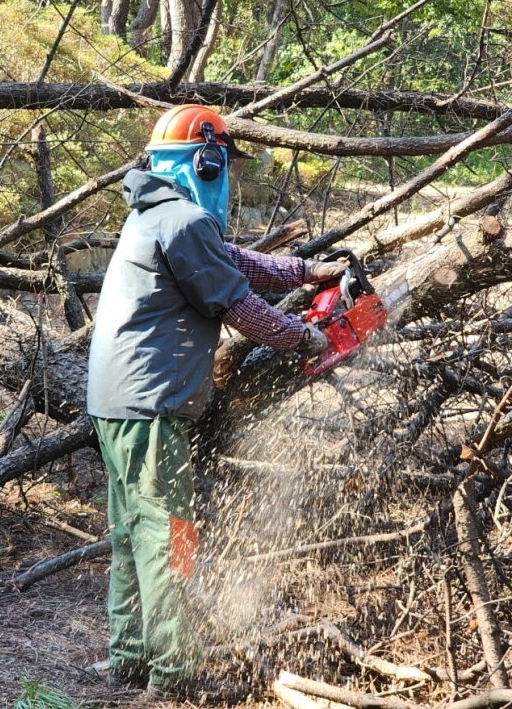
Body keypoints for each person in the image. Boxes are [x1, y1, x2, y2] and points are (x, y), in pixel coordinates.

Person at [86, 104, 347, 703]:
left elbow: (237, 262)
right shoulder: (181, 221)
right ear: (204, 160)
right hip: (149, 404)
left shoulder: (154, 214)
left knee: (132, 532)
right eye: (223, 162)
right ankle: (174, 668)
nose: (226, 174)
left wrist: (309, 269)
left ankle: (129, 655)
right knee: (169, 531)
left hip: (116, 402)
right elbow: (239, 305)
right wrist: (308, 337)